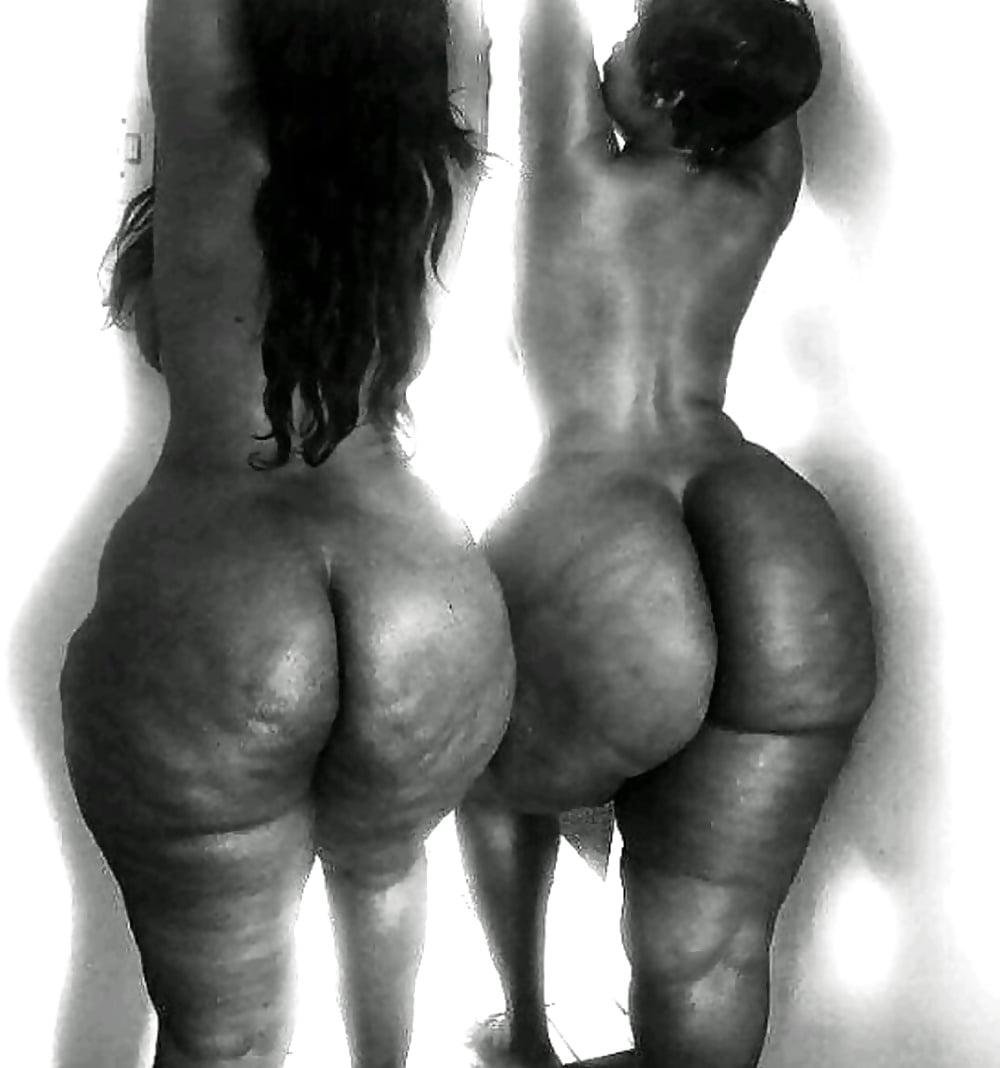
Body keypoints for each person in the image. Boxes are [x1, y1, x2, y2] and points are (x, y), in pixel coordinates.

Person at [59, 1, 513, 1066]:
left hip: (221, 593)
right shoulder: (435, 148)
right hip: (425, 592)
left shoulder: (208, 123)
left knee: (222, 1038)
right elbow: (465, 35)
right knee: (387, 868)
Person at [456, 1, 877, 1065]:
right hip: (772, 527)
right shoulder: (759, 191)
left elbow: (546, 25)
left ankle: (527, 1035)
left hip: (601, 511)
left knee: (486, 777)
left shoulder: (573, 169)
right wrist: (722, 52)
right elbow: (765, 80)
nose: (609, 52)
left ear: (664, 89)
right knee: (710, 943)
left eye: (630, 39)